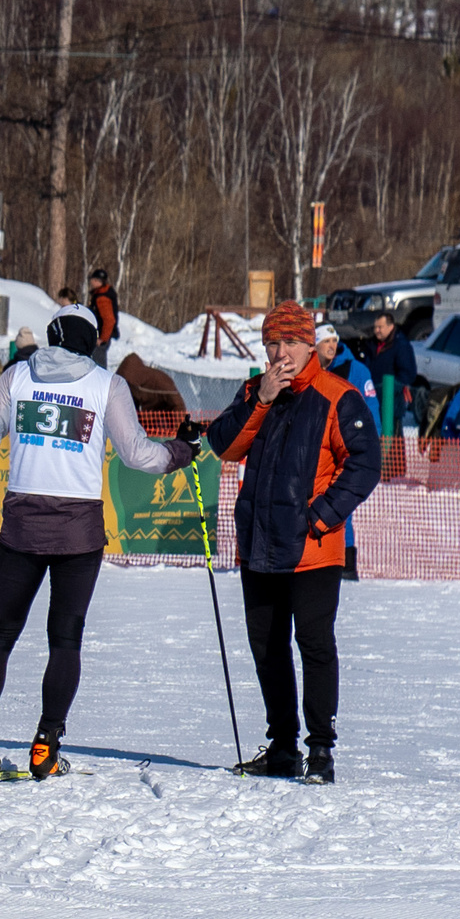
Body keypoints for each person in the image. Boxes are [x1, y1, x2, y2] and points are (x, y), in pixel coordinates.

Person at [0, 305, 201, 778]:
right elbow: (139, 455)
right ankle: (46, 744)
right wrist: (184, 451)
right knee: (65, 640)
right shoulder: (107, 386)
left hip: (22, 526)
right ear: (92, 342)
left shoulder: (18, 376)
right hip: (78, 533)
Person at [193, 299, 380, 784]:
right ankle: (282, 748)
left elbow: (364, 465)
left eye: (291, 342)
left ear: (309, 343)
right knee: (268, 649)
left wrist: (320, 517)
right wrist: (261, 402)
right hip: (259, 546)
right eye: (273, 342)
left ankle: (320, 752)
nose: (282, 352)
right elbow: (225, 446)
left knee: (314, 647)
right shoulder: (258, 390)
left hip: (313, 551)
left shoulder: (338, 396)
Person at [359, 310, 419, 426]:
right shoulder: (371, 344)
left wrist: (393, 387)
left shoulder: (401, 345)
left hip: (392, 400)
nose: (377, 331)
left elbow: (408, 374)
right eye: (375, 327)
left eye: (380, 327)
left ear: (390, 327)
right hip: (372, 397)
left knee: (392, 435)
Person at [87, 268, 120, 361]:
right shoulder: (102, 293)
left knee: (98, 367)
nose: (90, 282)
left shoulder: (102, 298)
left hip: (101, 338)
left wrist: (102, 339)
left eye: (92, 279)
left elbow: (109, 320)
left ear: (97, 281)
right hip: (101, 336)